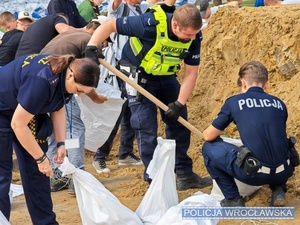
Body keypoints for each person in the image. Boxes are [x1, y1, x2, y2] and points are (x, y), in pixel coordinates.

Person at [86, 3, 212, 190]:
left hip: (164, 74)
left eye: (195, 34)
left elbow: (191, 73)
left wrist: (179, 103)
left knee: (179, 122)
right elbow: (110, 25)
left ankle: (184, 174)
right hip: (138, 75)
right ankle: (154, 179)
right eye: (188, 35)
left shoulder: (194, 35)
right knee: (146, 126)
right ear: (175, 25)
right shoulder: (148, 24)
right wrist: (92, 47)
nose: (192, 39)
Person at [0, 53, 100, 224]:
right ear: (70, 75)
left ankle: (46, 222)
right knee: (2, 174)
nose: (80, 95)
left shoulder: (65, 78)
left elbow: (58, 107)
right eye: (79, 90)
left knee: (39, 174)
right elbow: (18, 124)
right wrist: (40, 158)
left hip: (27, 111)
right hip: (3, 109)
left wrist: (61, 143)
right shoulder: (42, 80)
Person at [201, 61, 295, 207]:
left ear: (243, 83)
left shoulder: (234, 102)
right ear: (267, 84)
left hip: (253, 174)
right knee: (277, 144)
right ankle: (278, 190)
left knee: (208, 148)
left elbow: (208, 136)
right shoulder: (279, 103)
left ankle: (233, 199)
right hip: (285, 171)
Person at [40, 20, 104, 194]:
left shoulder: (73, 36)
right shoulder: (89, 41)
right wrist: (97, 98)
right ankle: (77, 178)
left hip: (44, 84)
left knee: (57, 131)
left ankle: (58, 175)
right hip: (58, 85)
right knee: (74, 129)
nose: (103, 46)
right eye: (104, 42)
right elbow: (87, 81)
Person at [91, 0, 152, 174]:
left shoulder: (145, 8)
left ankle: (125, 154)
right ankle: (99, 156)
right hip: (119, 68)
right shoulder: (119, 9)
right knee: (117, 112)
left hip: (138, 67)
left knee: (131, 112)